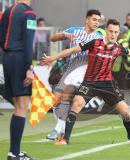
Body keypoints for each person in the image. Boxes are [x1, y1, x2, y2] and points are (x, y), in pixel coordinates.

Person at [41, 19, 130, 145]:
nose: (113, 34)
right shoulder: (94, 42)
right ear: (106, 31)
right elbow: (71, 50)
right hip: (89, 82)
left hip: (107, 84)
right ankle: (65, 139)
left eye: (115, 32)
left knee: (126, 112)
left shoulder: (118, 48)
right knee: (77, 104)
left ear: (118, 33)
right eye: (111, 31)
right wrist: (53, 58)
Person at [45, 9, 104, 141]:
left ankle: (57, 130)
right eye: (94, 20)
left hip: (85, 73)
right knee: (56, 99)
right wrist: (64, 35)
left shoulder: (99, 36)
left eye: (99, 21)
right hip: (70, 70)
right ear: (86, 20)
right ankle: (61, 126)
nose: (96, 23)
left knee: (68, 97)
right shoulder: (74, 31)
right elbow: (52, 38)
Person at [0, 0, 36, 159]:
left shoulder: (7, 11)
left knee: (17, 104)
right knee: (22, 105)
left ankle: (14, 152)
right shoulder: (29, 13)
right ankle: (14, 154)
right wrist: (29, 66)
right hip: (20, 58)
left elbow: (1, 38)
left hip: (7, 57)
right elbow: (29, 42)